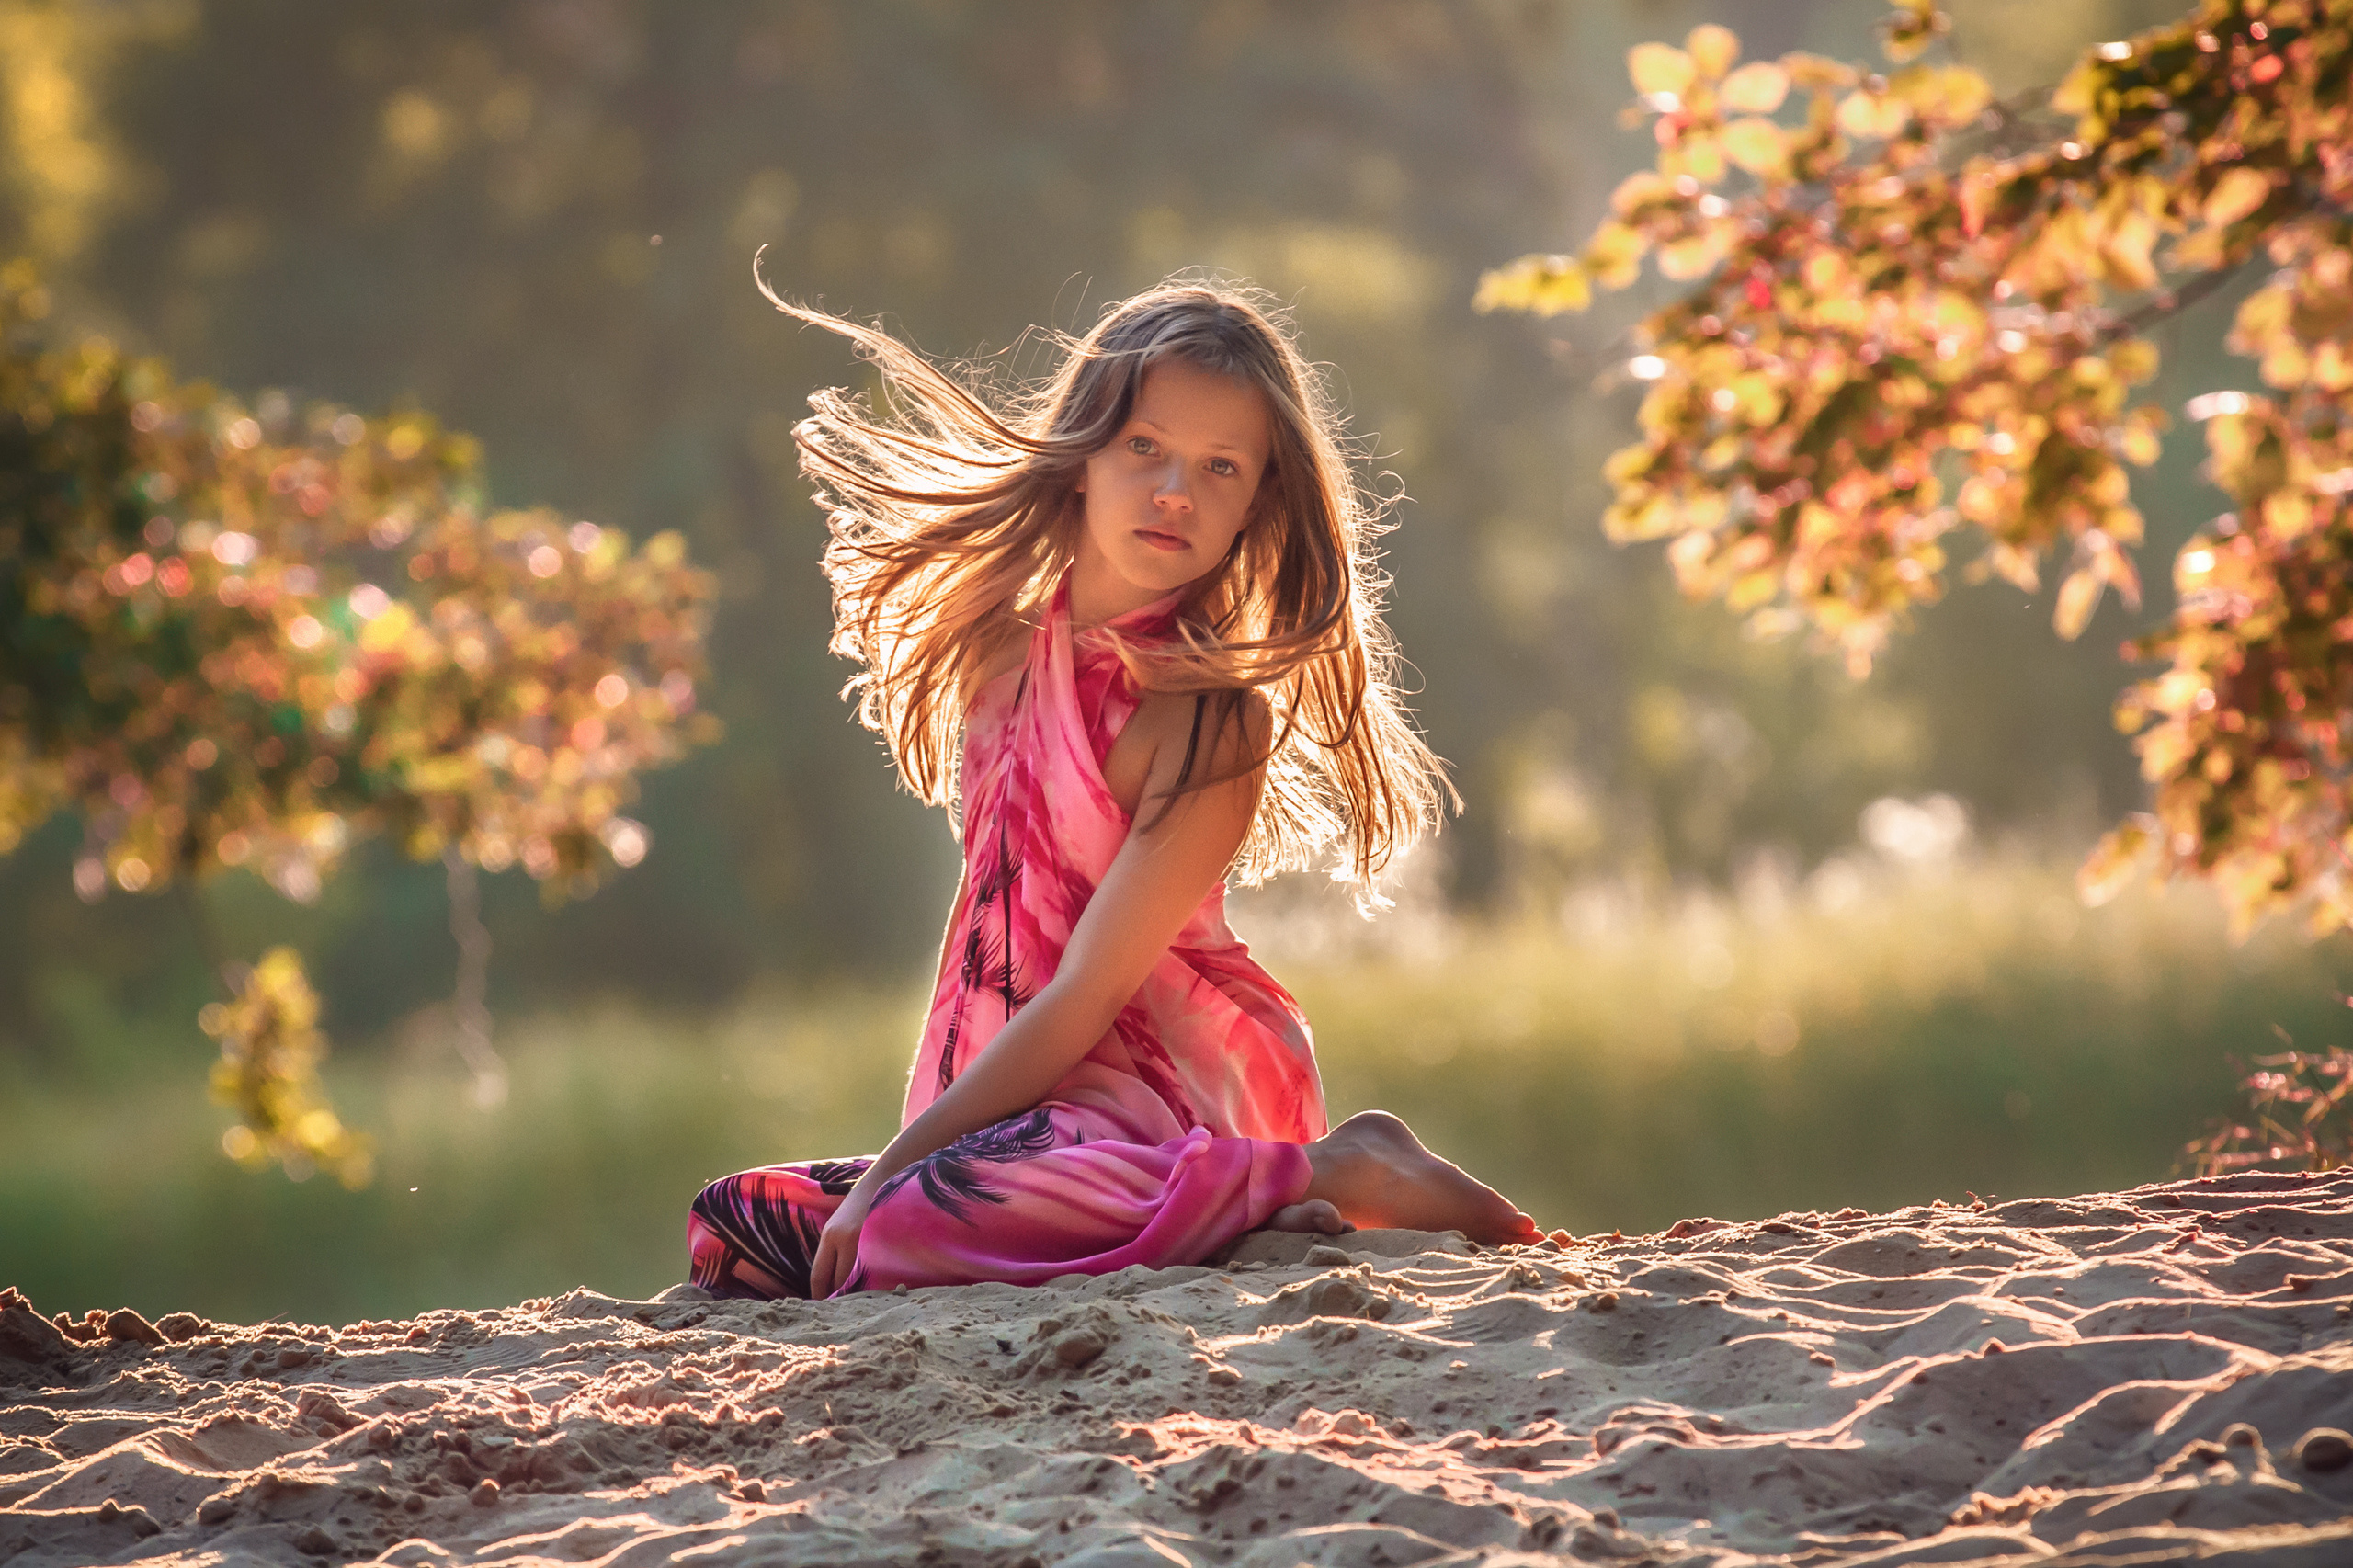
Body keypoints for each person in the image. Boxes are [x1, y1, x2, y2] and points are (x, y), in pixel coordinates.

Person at [688, 277, 1539, 1301]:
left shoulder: (1208, 723)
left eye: (1219, 466)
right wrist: (900, 1160)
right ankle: (1238, 1221)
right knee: (733, 1223)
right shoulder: (997, 650)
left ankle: (1333, 1165)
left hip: (1146, 1098)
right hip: (1014, 1116)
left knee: (906, 1221)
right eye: (1145, 447)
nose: (1174, 488)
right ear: (1082, 456)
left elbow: (1086, 993)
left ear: (1254, 505)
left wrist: (895, 1176)